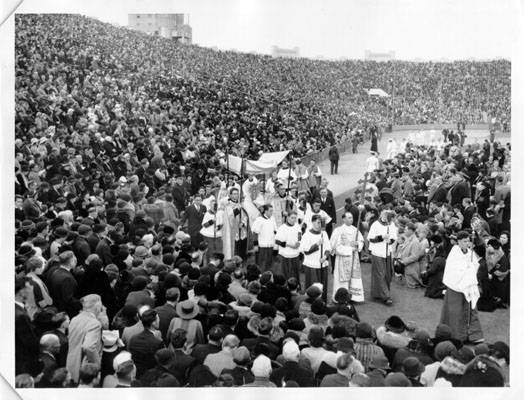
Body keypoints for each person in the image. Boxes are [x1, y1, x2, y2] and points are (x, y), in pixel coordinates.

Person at [440, 231, 484, 343]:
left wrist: (471, 266)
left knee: (471, 309)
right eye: (464, 241)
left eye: (468, 241)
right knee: (455, 311)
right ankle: (457, 335)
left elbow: (476, 265)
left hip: (468, 286)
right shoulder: (454, 253)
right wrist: (466, 268)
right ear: (459, 241)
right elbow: (452, 269)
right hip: (457, 287)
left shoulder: (470, 252)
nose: (467, 243)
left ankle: (473, 335)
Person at [66, 294, 107, 384]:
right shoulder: (94, 323)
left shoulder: (74, 319)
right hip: (86, 370)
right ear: (97, 308)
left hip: (71, 366)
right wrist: (97, 364)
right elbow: (88, 347)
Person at [330, 212, 365, 302]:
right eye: (349, 218)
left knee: (353, 278)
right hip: (342, 259)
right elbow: (335, 247)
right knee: (341, 280)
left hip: (354, 259)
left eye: (352, 217)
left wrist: (357, 244)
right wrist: (350, 249)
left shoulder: (355, 230)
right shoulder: (338, 231)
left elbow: (361, 241)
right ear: (343, 219)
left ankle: (353, 297)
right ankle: (340, 298)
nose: (351, 219)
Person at [368, 210, 398, 305]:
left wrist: (390, 240)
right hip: (378, 252)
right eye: (386, 217)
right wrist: (381, 237)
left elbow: (394, 237)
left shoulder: (391, 224)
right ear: (382, 215)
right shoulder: (375, 224)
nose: (387, 219)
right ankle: (386, 296)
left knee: (388, 274)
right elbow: (371, 238)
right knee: (380, 274)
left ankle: (379, 293)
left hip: (387, 252)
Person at [299, 215, 332, 300]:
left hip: (322, 264)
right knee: (313, 286)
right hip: (311, 265)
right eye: (318, 222)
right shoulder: (307, 235)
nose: (320, 224)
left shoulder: (324, 233)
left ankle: (322, 303)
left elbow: (328, 247)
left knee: (323, 285)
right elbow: (305, 251)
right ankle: (312, 303)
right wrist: (316, 244)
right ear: (312, 222)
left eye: (321, 222)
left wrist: (325, 256)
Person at [275, 210, 302, 282]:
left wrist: (298, 243)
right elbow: (277, 241)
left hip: (295, 254)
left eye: (295, 218)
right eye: (292, 218)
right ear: (287, 218)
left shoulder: (297, 227)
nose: (293, 220)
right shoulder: (282, 228)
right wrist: (290, 245)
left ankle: (296, 287)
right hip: (285, 255)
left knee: (295, 273)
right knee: (286, 273)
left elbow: (299, 237)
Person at [251, 204, 277, 272]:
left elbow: (275, 231)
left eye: (272, 211)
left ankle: (268, 277)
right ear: (265, 211)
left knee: (269, 263)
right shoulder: (259, 220)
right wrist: (255, 245)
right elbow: (255, 233)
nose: (272, 212)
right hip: (262, 245)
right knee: (261, 263)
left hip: (270, 245)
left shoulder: (273, 219)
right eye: (270, 211)